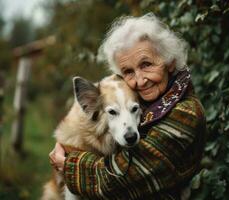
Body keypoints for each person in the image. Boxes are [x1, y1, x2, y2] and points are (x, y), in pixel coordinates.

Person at [49, 13, 206, 199]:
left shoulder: (185, 113)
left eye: (146, 64)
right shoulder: (153, 102)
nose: (140, 80)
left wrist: (67, 163)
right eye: (128, 71)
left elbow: (121, 177)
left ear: (170, 63)